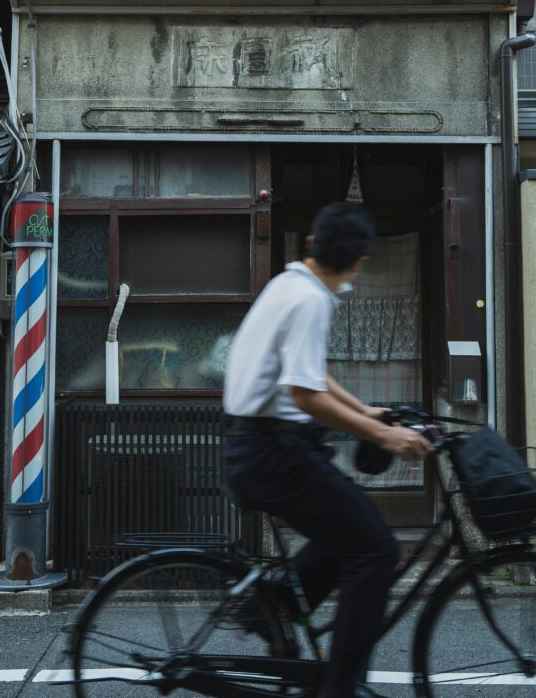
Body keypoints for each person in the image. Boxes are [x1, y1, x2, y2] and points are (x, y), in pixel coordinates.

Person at [222, 201, 432, 698]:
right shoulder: (310, 300)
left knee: (349, 538)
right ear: (358, 260)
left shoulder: (288, 284)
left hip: (258, 448)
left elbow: (310, 375)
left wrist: (366, 412)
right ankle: (339, 688)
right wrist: (384, 436)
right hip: (276, 453)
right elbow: (304, 394)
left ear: (316, 243)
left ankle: (269, 605)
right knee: (377, 549)